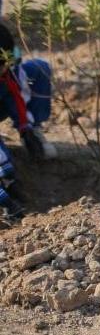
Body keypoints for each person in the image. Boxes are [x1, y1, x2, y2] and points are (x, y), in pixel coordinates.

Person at [0, 24, 56, 227]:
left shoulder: (8, 65)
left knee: (39, 68)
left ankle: (35, 131)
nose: (5, 69)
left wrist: (26, 128)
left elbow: (15, 93)